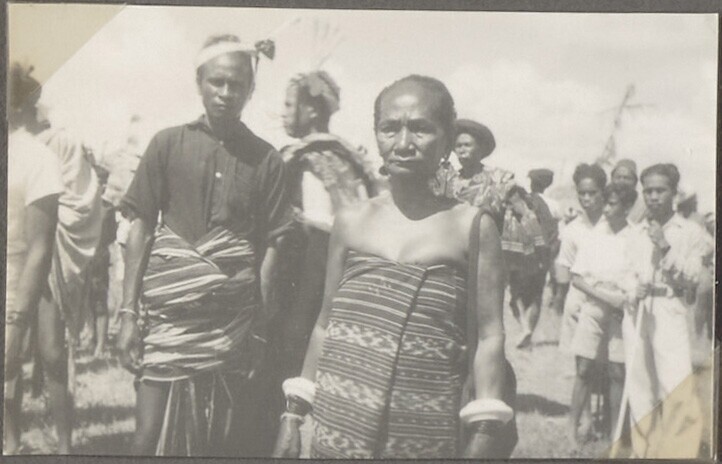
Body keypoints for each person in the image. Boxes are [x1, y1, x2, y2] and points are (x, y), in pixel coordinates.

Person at [273, 75, 517, 459]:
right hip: (339, 426)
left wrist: (485, 431)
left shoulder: (472, 226)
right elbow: (325, 323)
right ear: (377, 136)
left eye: (420, 128)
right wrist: (294, 414)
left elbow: (490, 336)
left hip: (424, 431)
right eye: (390, 128)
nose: (403, 143)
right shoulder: (351, 221)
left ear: (447, 141)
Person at [116, 34, 292, 456]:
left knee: (217, 438)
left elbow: (273, 245)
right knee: (146, 437)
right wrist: (127, 314)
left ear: (251, 89)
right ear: (199, 82)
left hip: (230, 323)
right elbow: (141, 226)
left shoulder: (266, 159)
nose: (226, 93)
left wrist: (258, 328)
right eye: (217, 82)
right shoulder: (167, 144)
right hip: (169, 318)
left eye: (237, 84)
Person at [614, 163, 712, 458]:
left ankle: (679, 453)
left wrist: (665, 247)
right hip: (638, 310)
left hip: (670, 308)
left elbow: (692, 276)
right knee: (640, 385)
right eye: (648, 191)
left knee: (675, 382)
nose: (653, 197)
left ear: (674, 193)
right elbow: (624, 272)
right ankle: (644, 450)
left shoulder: (691, 232)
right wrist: (632, 288)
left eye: (660, 190)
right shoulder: (634, 232)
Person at [4, 63, 64, 454]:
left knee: (8, 372)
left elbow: (40, 246)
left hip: (12, 285)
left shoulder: (36, 157)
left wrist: (17, 320)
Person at [452, 119, 547, 348]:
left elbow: (523, 212)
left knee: (486, 313)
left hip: (488, 254)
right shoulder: (449, 180)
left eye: (467, 145)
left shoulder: (499, 179)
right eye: (458, 146)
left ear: (481, 149)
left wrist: (536, 247)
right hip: (455, 252)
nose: (462, 150)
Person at [567, 183, 637, 443]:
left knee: (618, 372)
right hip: (594, 307)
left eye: (612, 204)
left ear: (627, 207)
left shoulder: (635, 237)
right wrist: (607, 299)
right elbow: (577, 279)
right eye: (605, 203)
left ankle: (615, 435)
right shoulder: (594, 235)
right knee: (584, 368)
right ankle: (572, 431)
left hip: (622, 310)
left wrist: (623, 300)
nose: (606, 209)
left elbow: (638, 278)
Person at [552, 163, 607, 441]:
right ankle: (585, 420)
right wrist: (562, 297)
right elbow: (564, 267)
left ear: (603, 192)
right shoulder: (573, 229)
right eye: (582, 193)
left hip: (608, 301)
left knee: (607, 364)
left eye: (592, 193)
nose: (587, 199)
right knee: (583, 366)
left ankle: (607, 418)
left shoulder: (613, 225)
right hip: (580, 299)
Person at [610, 159, 645, 224]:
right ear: (612, 180)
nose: (622, 181)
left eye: (627, 178)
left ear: (635, 182)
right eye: (618, 177)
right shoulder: (606, 205)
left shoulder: (643, 207)